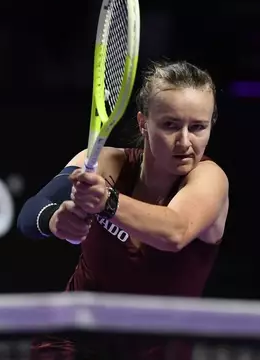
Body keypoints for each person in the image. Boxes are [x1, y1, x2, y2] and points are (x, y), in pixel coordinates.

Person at [17, 60, 229, 359]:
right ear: (144, 123)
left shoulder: (209, 179)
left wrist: (107, 201)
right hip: (73, 344)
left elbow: (175, 231)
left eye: (198, 127)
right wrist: (54, 220)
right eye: (170, 125)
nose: (185, 141)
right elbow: (30, 214)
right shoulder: (105, 163)